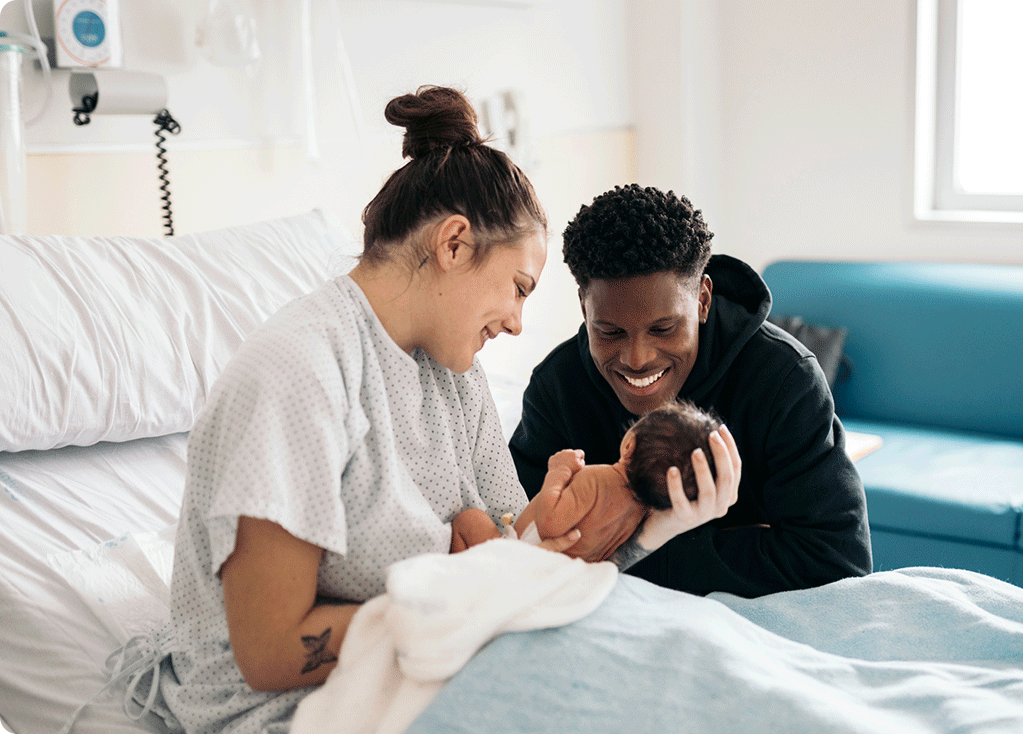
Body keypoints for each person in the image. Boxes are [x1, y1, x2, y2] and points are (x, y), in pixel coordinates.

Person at [134, 89, 737, 734]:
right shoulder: (298, 375)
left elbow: (514, 560)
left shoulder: (456, 377)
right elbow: (272, 654)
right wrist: (456, 591)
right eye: (518, 288)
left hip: (433, 668)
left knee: (684, 679)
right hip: (290, 710)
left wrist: (648, 527)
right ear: (453, 243)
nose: (514, 322)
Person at [510, 184, 872, 598]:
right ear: (583, 308)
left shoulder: (785, 380)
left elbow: (839, 562)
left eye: (663, 329)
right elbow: (525, 545)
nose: (637, 358)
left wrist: (640, 545)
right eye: (609, 331)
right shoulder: (558, 386)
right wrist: (743, 539)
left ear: (702, 300)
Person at [511, 400, 723, 559]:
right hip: (569, 576)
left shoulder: (596, 480)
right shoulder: (639, 513)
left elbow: (549, 526)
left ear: (629, 444)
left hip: (525, 552)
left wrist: (559, 471)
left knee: (477, 519)